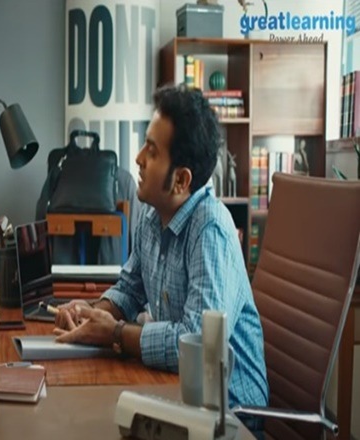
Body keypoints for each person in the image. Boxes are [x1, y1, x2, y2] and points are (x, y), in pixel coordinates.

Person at [54, 84, 268, 433]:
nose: (138, 158)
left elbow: (196, 344)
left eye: (151, 152)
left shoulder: (210, 229)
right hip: (182, 396)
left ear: (181, 180)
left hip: (231, 414)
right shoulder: (153, 216)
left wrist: (116, 333)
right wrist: (91, 314)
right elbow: (129, 289)